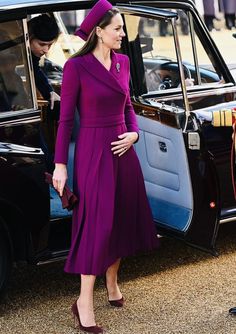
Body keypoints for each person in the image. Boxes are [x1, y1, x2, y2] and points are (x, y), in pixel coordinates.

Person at [52, 0, 159, 332]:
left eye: (123, 29)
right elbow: (66, 121)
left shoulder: (124, 63)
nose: (123, 34)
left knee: (123, 218)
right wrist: (60, 165)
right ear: (99, 31)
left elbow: (129, 108)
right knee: (98, 225)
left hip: (124, 150)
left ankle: (112, 284)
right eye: (117, 29)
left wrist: (135, 136)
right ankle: (84, 301)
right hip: (94, 152)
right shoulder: (76, 67)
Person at [28, 14, 60, 109]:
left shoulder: (32, 54)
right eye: (42, 44)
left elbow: (34, 70)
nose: (46, 50)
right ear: (28, 38)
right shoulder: (9, 52)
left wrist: (50, 92)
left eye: (50, 45)